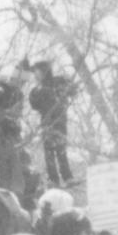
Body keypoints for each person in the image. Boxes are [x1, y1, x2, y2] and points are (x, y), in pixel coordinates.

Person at [28, 59, 74, 188]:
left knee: (61, 149)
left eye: (37, 72)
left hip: (59, 120)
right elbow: (34, 104)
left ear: (44, 71)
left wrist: (67, 84)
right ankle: (53, 179)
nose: (35, 76)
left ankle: (67, 177)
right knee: (48, 151)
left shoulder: (57, 82)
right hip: (46, 122)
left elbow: (72, 91)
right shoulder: (37, 89)